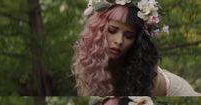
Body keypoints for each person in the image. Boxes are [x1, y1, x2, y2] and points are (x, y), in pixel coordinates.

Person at [72, 1, 201, 96]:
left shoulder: (143, 73)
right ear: (98, 30)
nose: (119, 41)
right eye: (112, 30)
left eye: (128, 35)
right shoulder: (87, 64)